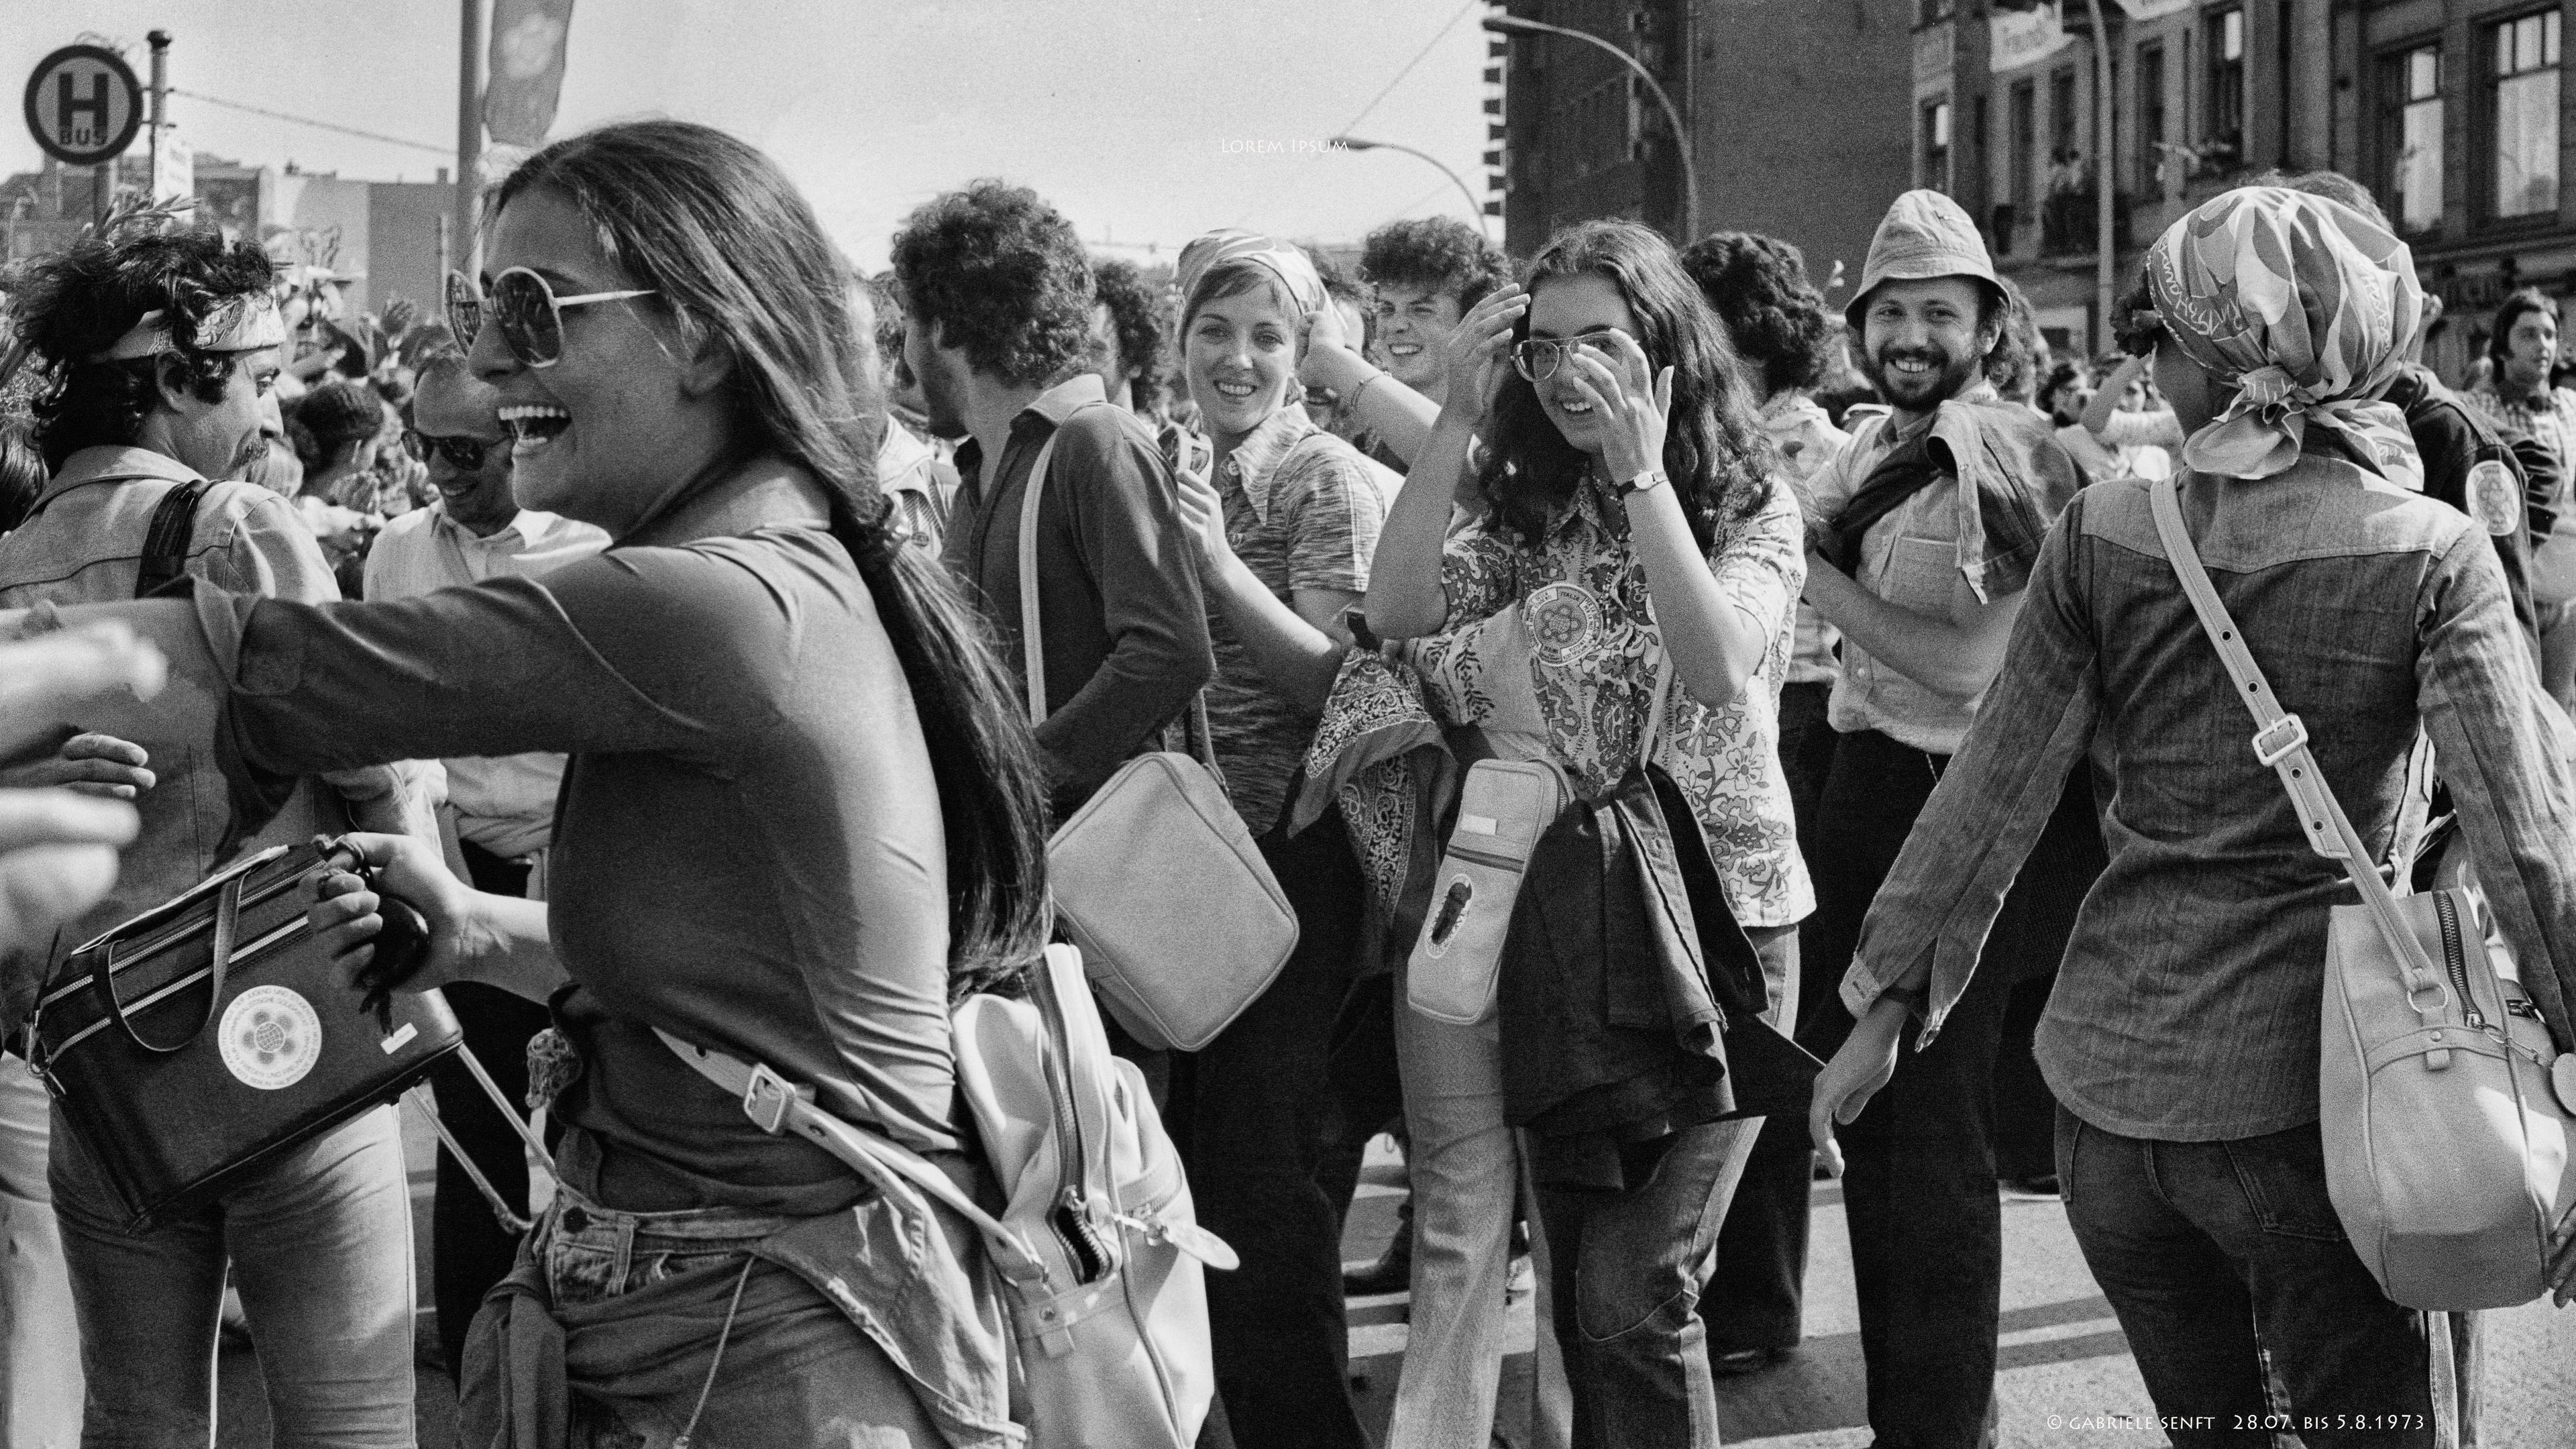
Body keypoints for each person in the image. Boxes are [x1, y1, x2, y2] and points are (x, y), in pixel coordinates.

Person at [33, 117, 1054, 1448]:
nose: (489, 362)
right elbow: (749, 982)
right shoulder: (779, 561)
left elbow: (263, 664)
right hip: (734, 1315)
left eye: (533, 310)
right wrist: (473, 930)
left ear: (696, 334)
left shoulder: (703, 604)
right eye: (482, 311)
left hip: (760, 1346)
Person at [1811, 182, 2576, 1448]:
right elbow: (2528, 839)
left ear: (2228, 357)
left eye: (2159, 333)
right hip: (2329, 1110)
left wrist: (1881, 1003)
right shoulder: (2430, 550)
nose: (2141, 361)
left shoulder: (2109, 528)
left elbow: (1988, 794)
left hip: (2111, 1122)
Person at [1365, 218, 1809, 1448]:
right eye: (1546, 346)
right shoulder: (1526, 513)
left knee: (1635, 1287)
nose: (1573, 374)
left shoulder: (1749, 501)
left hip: (1725, 940)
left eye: (1605, 344)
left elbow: (1719, 667)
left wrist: (1644, 475)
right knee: (1584, 1295)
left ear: (1668, 355)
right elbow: (1396, 608)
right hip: (1577, 934)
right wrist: (1456, 417)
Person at [0, 221, 438, 1446]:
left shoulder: (10, 561)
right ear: (182, 381)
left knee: (138, 1418)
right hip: (279, 1030)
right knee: (349, 1412)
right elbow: (356, 750)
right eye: (254, 379)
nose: (270, 412)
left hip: (93, 1057)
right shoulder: (235, 527)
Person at [1790, 188, 2094, 1449]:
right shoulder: (1859, 452)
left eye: (1939, 313)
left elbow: (1968, 666)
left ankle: (1936, 1428)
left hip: (1970, 812)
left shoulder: (2016, 457)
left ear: (1989, 324)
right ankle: (1911, 1417)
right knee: (1870, 1126)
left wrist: (1797, 568)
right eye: (1893, 311)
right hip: (1864, 791)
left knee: (1934, 1140)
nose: (1912, 334)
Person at [1160, 229, 1391, 1449]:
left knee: (1262, 1175)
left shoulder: (1324, 482)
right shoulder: (1168, 456)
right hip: (1184, 857)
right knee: (1184, 1164)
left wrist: (1207, 560)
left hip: (1296, 858)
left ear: (1303, 356)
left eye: (1265, 338)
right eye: (1215, 331)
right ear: (1179, 339)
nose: (1237, 359)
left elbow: (1332, 689)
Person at [359, 350, 606, 1376]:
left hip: (586, 870)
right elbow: (390, 713)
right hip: (459, 867)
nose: (440, 472)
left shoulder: (593, 545)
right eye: (421, 447)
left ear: (523, 436)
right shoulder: (396, 551)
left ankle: (598, 1345)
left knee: (608, 1119)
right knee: (475, 1116)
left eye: (464, 450)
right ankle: (475, 1353)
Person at [893, 180, 1216, 821]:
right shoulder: (977, 477)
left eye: (906, 322)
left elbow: (1170, 653)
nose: (900, 357)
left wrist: (1023, 779)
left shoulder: (1095, 441)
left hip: (1100, 868)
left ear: (947, 326)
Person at [1675, 227, 1852, 1378]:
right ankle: (1725, 1297)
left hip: (1780, 729)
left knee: (1755, 1072)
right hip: (1713, 763)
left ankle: (1761, 1302)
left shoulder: (1781, 463)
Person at [1300, 218, 1513, 473]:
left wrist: (1332, 358)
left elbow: (1468, 478)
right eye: (1386, 309)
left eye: (1422, 310)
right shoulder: (1361, 436)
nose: (1397, 325)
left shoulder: (1511, 434)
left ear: (1475, 324)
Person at [2466, 287, 2576, 708]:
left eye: (2549, 334)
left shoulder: (2569, 407)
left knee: (2561, 713)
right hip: (2511, 590)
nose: (2542, 345)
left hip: (2565, 590)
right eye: (2528, 334)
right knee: (2516, 712)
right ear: (2502, 345)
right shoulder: (2478, 407)